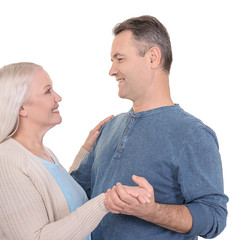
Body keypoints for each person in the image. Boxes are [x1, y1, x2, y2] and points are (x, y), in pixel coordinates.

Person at [71, 15, 229, 239]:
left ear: (153, 58)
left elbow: (214, 217)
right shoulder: (109, 128)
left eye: (120, 59)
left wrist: (151, 211)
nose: (112, 70)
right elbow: (74, 195)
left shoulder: (193, 134)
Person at [0, 62, 150, 240]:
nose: (58, 97)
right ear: (21, 108)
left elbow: (62, 203)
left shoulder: (43, 154)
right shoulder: (5, 160)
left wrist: (86, 151)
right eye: (47, 91)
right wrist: (105, 202)